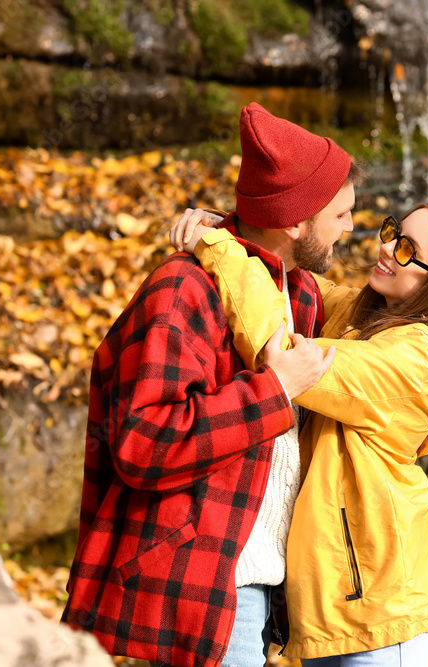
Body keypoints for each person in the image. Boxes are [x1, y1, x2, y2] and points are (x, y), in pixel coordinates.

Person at [169, 198, 428, 665]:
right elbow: (289, 282)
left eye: (408, 249)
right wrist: (239, 228)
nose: (386, 249)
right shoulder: (365, 318)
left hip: (383, 612)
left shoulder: (418, 360)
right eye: (392, 232)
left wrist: (216, 247)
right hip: (341, 606)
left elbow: (286, 354)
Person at [61, 103, 362, 667]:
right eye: (341, 214)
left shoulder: (300, 292)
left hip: (262, 591)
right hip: (201, 589)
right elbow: (142, 443)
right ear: (295, 221)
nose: (351, 227)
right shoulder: (182, 291)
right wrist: (273, 390)